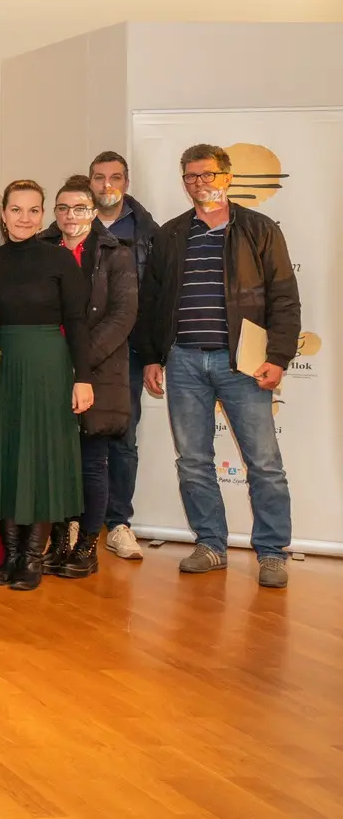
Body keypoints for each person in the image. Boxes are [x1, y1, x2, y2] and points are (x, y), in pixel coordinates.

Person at [139, 144, 299, 588]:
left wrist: (278, 357)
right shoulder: (171, 234)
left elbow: (284, 296)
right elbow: (152, 301)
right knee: (193, 461)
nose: (200, 183)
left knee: (264, 463)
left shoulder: (259, 229)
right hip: (184, 361)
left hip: (243, 363)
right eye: (191, 176)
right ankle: (210, 544)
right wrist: (152, 355)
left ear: (227, 177)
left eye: (208, 174)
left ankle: (272, 552)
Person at [0, 182, 92, 590]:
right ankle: (11, 555)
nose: (24, 218)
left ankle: (33, 557)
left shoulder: (60, 259)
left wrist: (83, 378)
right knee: (3, 456)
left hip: (47, 367)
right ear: (3, 214)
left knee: (41, 459)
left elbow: (78, 322)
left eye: (33, 210)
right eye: (16, 209)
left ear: (42, 215)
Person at [44, 176, 137, 579]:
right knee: (57, 464)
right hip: (50, 370)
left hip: (99, 372)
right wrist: (54, 361)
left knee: (91, 463)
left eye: (80, 208)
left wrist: (77, 361)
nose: (70, 215)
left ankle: (86, 546)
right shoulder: (44, 250)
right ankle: (59, 541)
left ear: (94, 212)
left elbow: (122, 316)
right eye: (62, 208)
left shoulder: (117, 254)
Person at [87, 150, 158, 562]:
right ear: (90, 182)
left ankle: (118, 523)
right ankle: (76, 520)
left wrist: (153, 353)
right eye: (99, 177)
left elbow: (157, 299)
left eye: (115, 177)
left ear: (126, 183)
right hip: (79, 350)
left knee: (123, 438)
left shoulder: (150, 232)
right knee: (77, 436)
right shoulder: (73, 224)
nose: (107, 184)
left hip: (128, 352)